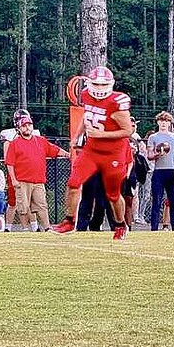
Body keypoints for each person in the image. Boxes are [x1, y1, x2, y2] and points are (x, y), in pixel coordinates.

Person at [53, 66, 133, 240]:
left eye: (103, 85)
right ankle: (69, 221)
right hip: (92, 150)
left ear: (110, 85)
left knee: (112, 195)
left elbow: (128, 131)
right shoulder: (86, 95)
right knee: (73, 183)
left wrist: (101, 134)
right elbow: (86, 115)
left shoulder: (116, 103)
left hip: (113, 154)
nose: (99, 88)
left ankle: (120, 224)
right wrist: (77, 135)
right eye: (96, 84)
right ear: (89, 83)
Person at [5, 115, 69, 232]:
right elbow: (10, 163)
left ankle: (47, 227)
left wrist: (68, 154)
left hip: (38, 180)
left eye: (29, 125)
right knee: (23, 206)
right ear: (19, 129)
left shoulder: (41, 141)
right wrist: (13, 179)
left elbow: (54, 149)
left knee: (41, 205)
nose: (27, 127)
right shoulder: (14, 143)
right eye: (24, 126)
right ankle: (25, 228)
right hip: (22, 180)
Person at [146, 112, 174, 231]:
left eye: (166, 121)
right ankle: (154, 228)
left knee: (173, 202)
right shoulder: (153, 137)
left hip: (172, 171)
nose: (164, 123)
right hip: (159, 171)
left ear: (170, 123)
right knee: (157, 201)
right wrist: (157, 154)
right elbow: (149, 155)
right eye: (161, 121)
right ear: (158, 122)